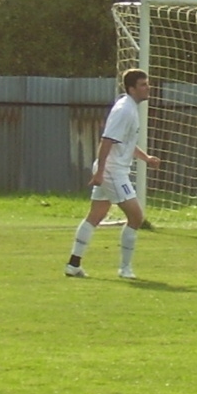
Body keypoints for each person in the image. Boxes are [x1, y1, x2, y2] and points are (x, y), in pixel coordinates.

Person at [64, 68, 161, 279]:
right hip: (113, 171)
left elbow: (124, 143)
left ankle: (73, 265)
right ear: (132, 88)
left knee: (95, 216)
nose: (148, 88)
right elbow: (107, 140)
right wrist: (101, 172)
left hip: (111, 169)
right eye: (144, 85)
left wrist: (146, 158)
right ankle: (125, 269)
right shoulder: (124, 110)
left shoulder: (130, 108)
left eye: (147, 83)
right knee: (136, 216)